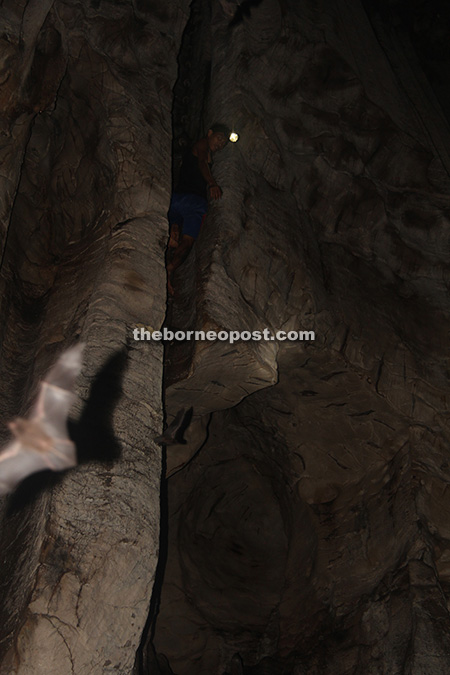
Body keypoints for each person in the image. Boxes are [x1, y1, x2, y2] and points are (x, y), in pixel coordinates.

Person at [166, 123, 230, 296]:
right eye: (219, 138)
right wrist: (212, 184)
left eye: (224, 142)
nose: (221, 143)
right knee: (184, 240)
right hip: (190, 201)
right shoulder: (202, 145)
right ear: (209, 133)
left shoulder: (206, 151)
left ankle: (169, 270)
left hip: (181, 201)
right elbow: (201, 162)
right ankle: (168, 268)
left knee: (182, 241)